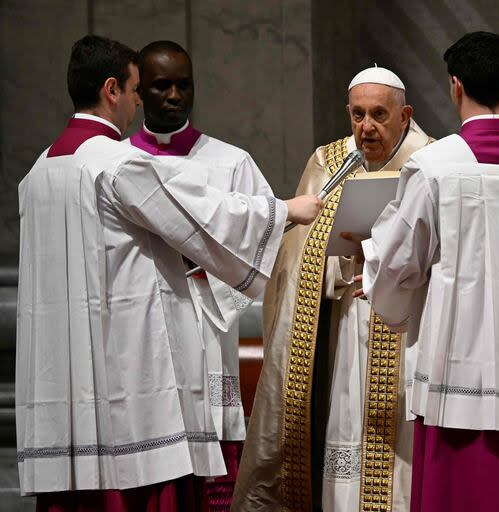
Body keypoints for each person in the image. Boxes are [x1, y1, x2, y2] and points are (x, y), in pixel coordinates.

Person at [16, 35, 321, 511]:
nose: (141, 103)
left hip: (68, 370)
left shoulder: (39, 171)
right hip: (124, 367)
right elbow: (199, 216)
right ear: (112, 89)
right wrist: (284, 210)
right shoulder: (115, 163)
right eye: (138, 90)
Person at [361, 31, 499, 512]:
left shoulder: (434, 167)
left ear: (455, 85)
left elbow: (397, 261)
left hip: (458, 372)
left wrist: (372, 268)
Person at [233, 66, 432, 511]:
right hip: (346, 322)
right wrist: (341, 267)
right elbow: (294, 258)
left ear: (405, 115)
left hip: (406, 330)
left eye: (379, 114)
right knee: (346, 425)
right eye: (358, 114)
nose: (367, 127)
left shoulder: (432, 162)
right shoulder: (330, 162)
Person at [128, 40, 268, 510]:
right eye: (161, 85)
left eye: (183, 85)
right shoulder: (116, 165)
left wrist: (206, 269)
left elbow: (264, 252)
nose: (174, 95)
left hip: (207, 336)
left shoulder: (232, 163)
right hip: (139, 341)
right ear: (137, 92)